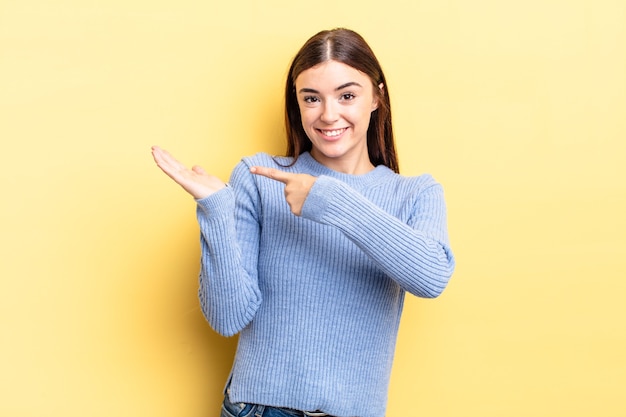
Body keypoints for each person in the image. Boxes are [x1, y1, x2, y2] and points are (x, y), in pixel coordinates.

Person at [152, 28, 455, 417]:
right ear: (297, 104)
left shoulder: (415, 194)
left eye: (347, 95)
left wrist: (330, 199)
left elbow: (431, 277)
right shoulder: (259, 177)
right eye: (311, 98)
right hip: (259, 409)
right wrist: (215, 210)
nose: (328, 115)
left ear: (377, 96)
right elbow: (228, 318)